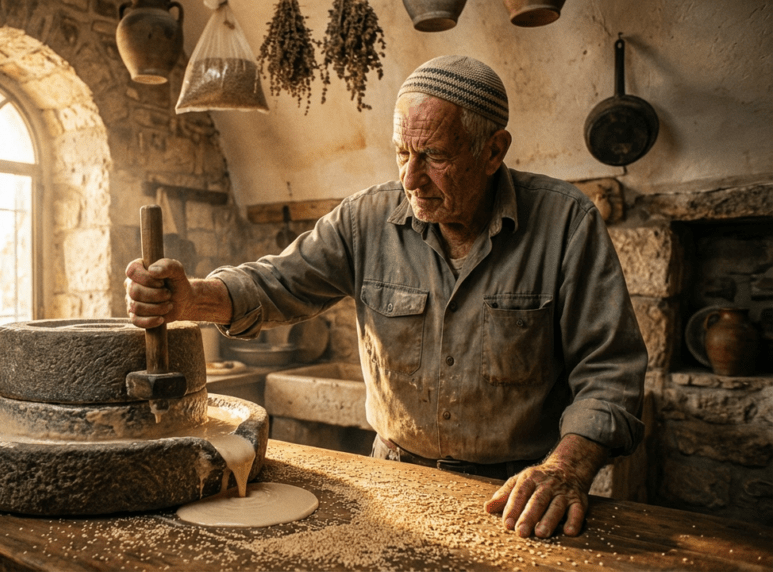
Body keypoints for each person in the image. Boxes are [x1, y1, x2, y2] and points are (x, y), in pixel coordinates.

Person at [125, 55, 646, 539]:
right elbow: (278, 283)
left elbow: (610, 374)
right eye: (402, 152)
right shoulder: (366, 219)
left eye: (434, 156)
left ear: (493, 151)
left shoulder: (566, 223)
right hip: (395, 477)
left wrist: (564, 469)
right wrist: (192, 299)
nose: (410, 178)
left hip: (514, 494)